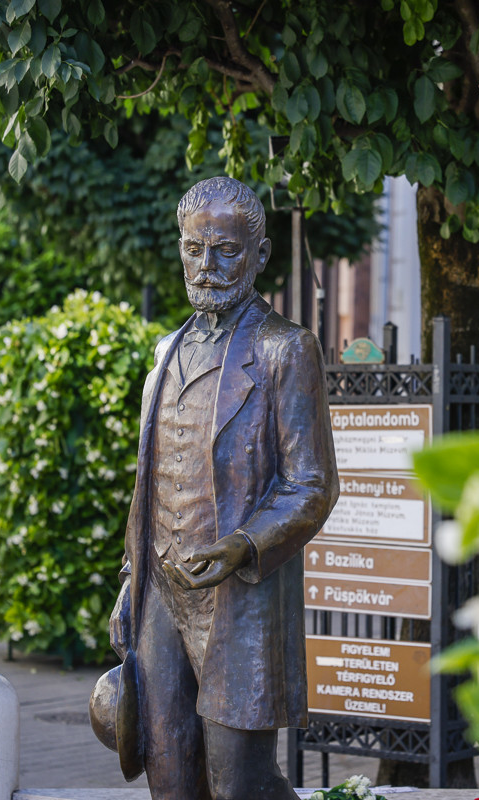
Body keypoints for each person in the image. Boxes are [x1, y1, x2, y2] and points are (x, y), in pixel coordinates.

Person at [89, 177, 339, 799]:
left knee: (240, 785)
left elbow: (312, 485)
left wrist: (243, 545)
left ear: (259, 255)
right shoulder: (164, 352)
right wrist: (131, 584)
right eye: (194, 249)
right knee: (169, 777)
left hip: (240, 599)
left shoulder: (285, 349)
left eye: (226, 250)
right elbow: (147, 486)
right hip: (161, 596)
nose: (207, 267)